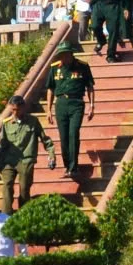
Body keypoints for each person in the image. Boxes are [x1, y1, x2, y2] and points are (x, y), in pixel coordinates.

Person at [0, 95, 50, 212]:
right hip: (9, 160)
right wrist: (0, 163)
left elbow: (45, 139)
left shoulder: (33, 121)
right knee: (7, 186)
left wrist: (51, 153)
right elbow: (2, 144)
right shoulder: (7, 123)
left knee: (24, 188)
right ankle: (6, 215)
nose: (15, 112)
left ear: (23, 107)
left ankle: (23, 213)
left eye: (17, 109)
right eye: (12, 109)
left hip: (26, 160)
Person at [47, 41, 95, 180]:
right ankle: (67, 166)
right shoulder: (55, 68)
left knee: (73, 134)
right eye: (60, 55)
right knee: (64, 137)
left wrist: (92, 106)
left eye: (65, 54)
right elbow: (50, 89)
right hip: (61, 103)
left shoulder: (83, 66)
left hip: (76, 103)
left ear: (71, 54)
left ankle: (74, 168)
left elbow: (90, 87)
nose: (63, 57)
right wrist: (48, 110)